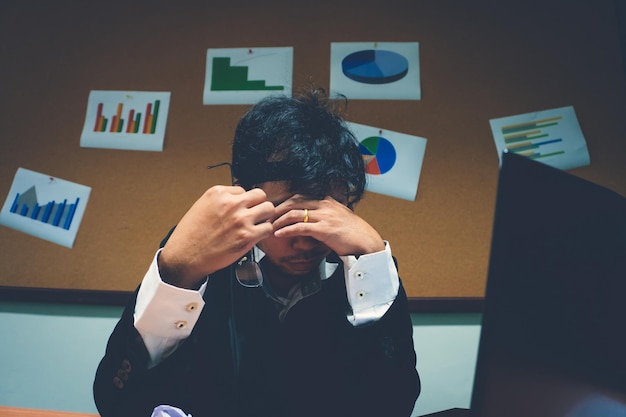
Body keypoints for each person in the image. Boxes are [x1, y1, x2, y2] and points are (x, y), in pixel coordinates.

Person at [93, 88, 420, 417]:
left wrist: (374, 260)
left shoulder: (367, 268)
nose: (305, 240)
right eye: (282, 214)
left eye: (324, 216)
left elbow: (395, 405)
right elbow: (115, 400)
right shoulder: (197, 257)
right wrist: (177, 274)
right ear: (244, 199)